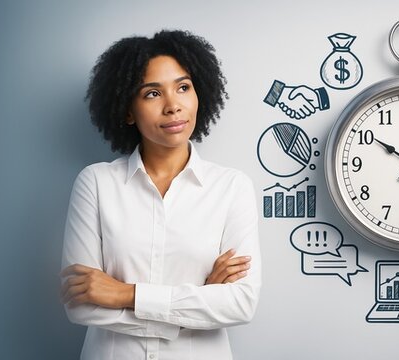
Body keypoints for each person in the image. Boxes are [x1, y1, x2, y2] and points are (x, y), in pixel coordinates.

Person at [60, 30, 261, 359]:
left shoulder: (231, 187)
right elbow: (81, 306)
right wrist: (197, 305)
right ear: (128, 110)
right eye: (152, 94)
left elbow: (241, 304)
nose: (173, 106)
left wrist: (126, 294)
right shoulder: (96, 183)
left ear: (200, 94)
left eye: (183, 87)